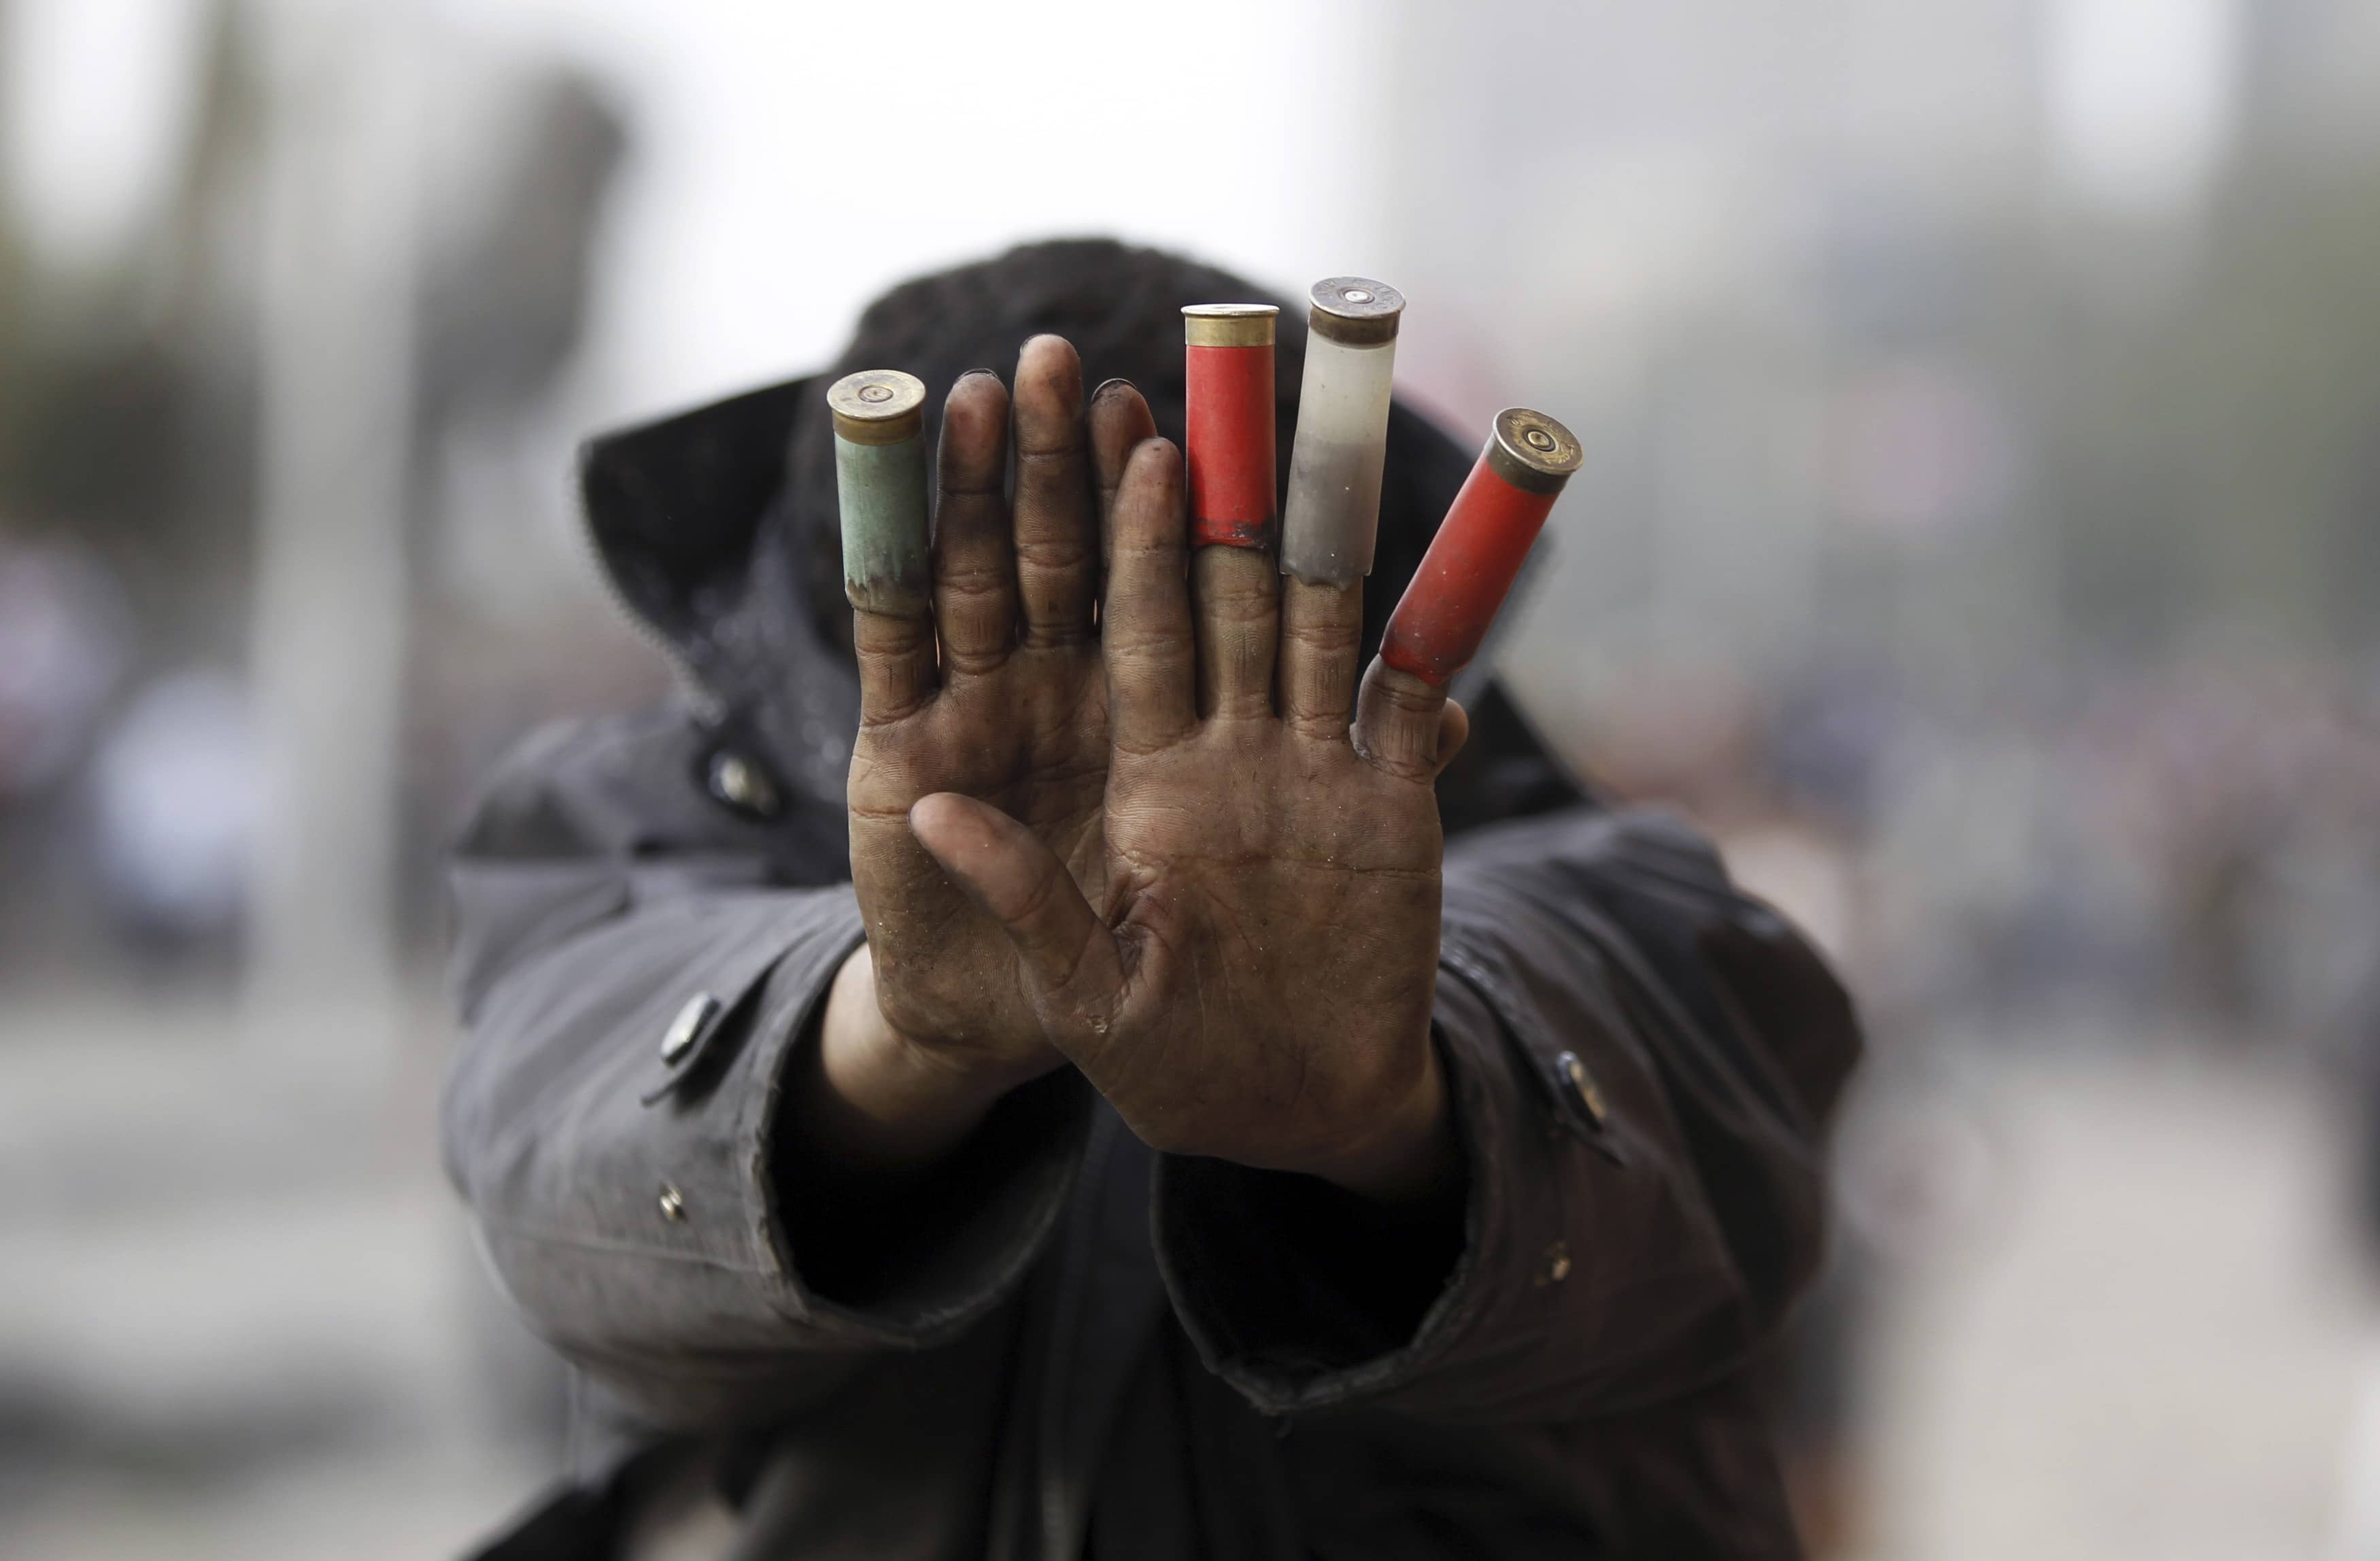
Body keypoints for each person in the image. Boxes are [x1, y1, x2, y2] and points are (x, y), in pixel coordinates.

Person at [443, 238, 1862, 1559]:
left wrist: (1402, 1104)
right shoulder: (616, 831)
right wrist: (890, 1034)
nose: (1129, 824)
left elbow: (1690, 1126)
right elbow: (561, 1161)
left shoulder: (1610, 899)